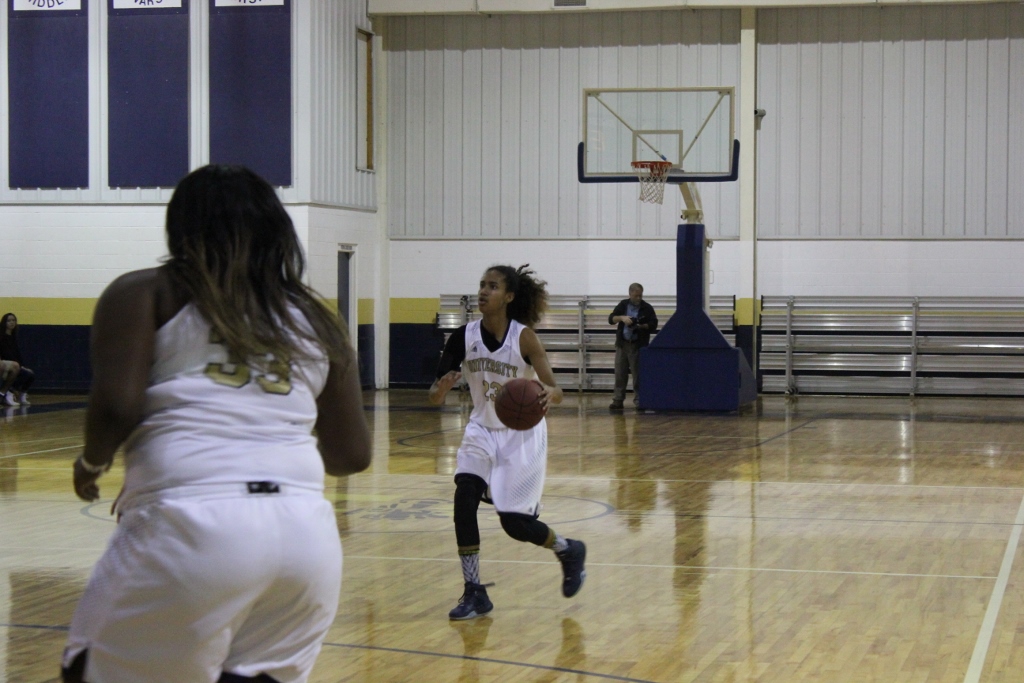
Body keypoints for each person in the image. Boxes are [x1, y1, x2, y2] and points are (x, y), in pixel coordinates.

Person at [61, 165, 372, 683]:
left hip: (192, 523)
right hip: (305, 537)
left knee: (87, 669)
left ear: (182, 226)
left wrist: (92, 462)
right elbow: (350, 456)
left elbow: (117, 406)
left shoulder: (147, 291)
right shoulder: (317, 318)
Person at [428, 264, 586, 620]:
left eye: (493, 286)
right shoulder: (463, 336)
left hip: (521, 435)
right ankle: (474, 590)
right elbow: (433, 395)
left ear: (509, 296)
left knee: (514, 525)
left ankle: (568, 549)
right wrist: (440, 390)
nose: (484, 291)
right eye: (482, 285)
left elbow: (557, 390)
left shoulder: (523, 338)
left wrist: (548, 393)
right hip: (482, 428)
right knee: (464, 496)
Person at [608, 283, 658, 410]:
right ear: (630, 294)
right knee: (620, 374)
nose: (638, 298)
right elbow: (611, 319)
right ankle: (618, 400)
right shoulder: (623, 305)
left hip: (637, 345)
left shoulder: (647, 308)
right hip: (622, 344)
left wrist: (642, 326)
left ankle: (640, 400)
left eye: (640, 295)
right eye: (636, 296)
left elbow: (653, 324)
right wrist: (622, 318)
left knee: (638, 375)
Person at [1, 313, 34, 406]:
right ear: (4, 323)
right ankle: (9, 392)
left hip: (16, 364)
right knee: (25, 374)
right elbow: (6, 354)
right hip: (7, 364)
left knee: (31, 375)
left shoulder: (13, 336)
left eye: (13, 320)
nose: (12, 322)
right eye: (9, 321)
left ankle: (22, 394)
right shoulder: (2, 337)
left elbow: (17, 354)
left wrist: (22, 365)